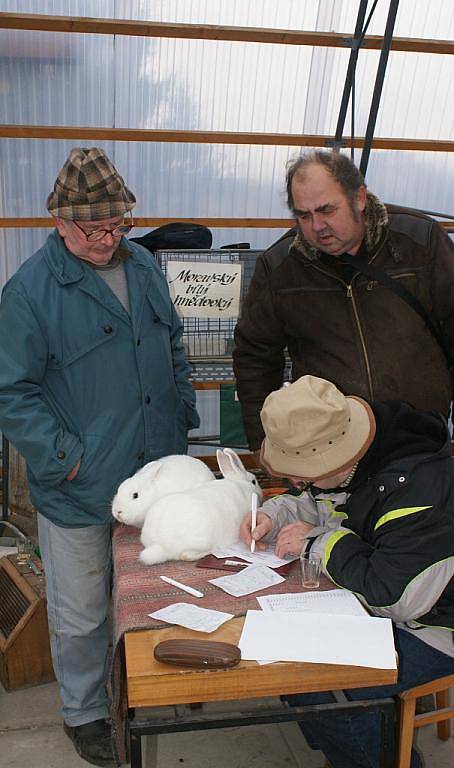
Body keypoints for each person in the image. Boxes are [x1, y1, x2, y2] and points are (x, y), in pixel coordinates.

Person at [0, 147, 199, 768]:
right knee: (82, 612)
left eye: (120, 224)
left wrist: (184, 408)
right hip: (82, 484)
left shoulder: (142, 266)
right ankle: (84, 712)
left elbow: (172, 344)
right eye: (95, 228)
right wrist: (66, 459)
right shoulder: (30, 293)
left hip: (156, 474)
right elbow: (11, 390)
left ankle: (146, 686)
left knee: (152, 589)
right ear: (58, 221)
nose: (110, 238)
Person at [240, 375, 454, 768]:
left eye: (302, 474)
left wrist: (317, 543)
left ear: (342, 459)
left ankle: (370, 751)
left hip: (445, 628)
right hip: (390, 609)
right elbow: (317, 502)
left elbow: (397, 598)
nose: (295, 483)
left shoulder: (419, 489)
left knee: (325, 688)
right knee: (289, 663)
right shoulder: (354, 461)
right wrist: (271, 516)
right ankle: (348, 748)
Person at [233, 150, 454, 458]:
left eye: (327, 210)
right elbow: (255, 358)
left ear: (359, 198)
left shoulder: (419, 240)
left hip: (418, 431)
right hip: (327, 444)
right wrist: (267, 441)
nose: (317, 226)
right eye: (304, 215)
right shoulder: (279, 267)